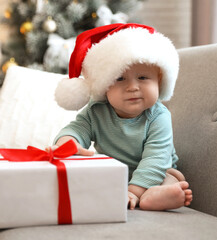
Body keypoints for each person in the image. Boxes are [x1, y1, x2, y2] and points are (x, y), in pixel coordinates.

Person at [50, 23, 193, 210]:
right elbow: (77, 129)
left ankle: (156, 196)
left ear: (159, 80)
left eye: (143, 78)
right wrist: (68, 142)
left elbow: (156, 158)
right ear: (105, 86)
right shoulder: (97, 111)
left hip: (157, 173)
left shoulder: (158, 116)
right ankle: (143, 198)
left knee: (171, 178)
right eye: (119, 79)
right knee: (91, 176)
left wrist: (133, 191)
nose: (133, 87)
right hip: (113, 175)